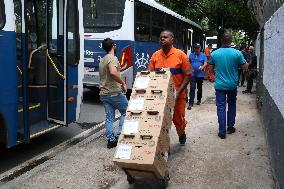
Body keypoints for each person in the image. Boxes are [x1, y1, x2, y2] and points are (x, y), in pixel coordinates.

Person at [149, 30, 193, 145]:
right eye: (160, 38)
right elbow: (150, 75)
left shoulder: (180, 55)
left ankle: (181, 133)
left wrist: (178, 92)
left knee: (178, 119)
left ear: (172, 39)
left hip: (178, 95)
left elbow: (188, 75)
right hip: (160, 97)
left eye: (165, 37)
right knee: (160, 121)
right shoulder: (155, 56)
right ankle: (162, 145)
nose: (162, 39)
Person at [209, 32, 248, 139]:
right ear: (231, 41)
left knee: (221, 107)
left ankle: (222, 131)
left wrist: (212, 77)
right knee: (231, 105)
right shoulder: (237, 53)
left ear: (221, 40)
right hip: (232, 85)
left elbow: (210, 70)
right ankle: (230, 127)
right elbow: (245, 67)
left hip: (220, 85)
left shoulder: (214, 54)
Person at [99, 38, 128, 148]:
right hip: (114, 93)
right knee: (126, 111)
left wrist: (124, 66)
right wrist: (123, 83)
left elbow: (114, 70)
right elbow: (112, 72)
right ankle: (121, 135)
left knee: (109, 118)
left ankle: (111, 140)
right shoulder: (113, 58)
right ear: (114, 46)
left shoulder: (103, 59)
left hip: (104, 94)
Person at [187, 43, 208, 110]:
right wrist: (189, 70)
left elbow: (205, 63)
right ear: (194, 48)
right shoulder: (191, 55)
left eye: (198, 48)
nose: (197, 49)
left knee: (199, 88)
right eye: (195, 48)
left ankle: (199, 100)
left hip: (200, 75)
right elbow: (188, 63)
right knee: (192, 88)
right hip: (192, 75)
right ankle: (191, 102)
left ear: (200, 48)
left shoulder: (203, 55)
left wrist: (202, 67)